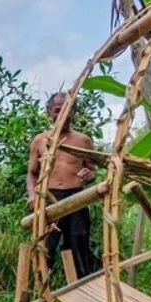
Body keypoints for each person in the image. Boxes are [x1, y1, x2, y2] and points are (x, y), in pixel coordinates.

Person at [26, 92, 99, 278]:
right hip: (48, 198)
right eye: (57, 110)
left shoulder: (83, 141)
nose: (62, 114)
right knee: (45, 245)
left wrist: (88, 175)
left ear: (73, 112)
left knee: (78, 245)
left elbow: (92, 171)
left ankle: (81, 288)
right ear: (49, 112)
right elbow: (32, 173)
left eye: (67, 109)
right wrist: (33, 196)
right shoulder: (40, 141)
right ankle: (42, 290)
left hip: (76, 198)